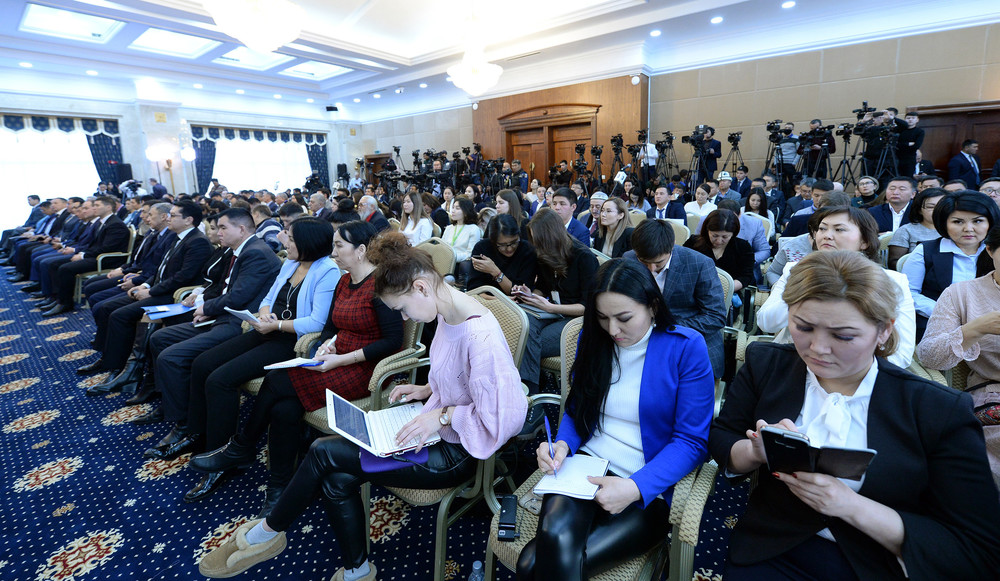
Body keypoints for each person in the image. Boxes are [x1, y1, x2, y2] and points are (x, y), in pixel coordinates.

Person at [196, 232, 527, 580]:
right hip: (435, 430)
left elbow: (505, 418)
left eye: (402, 309)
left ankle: (267, 533)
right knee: (336, 479)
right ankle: (357, 570)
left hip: (455, 453)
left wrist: (443, 415)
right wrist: (427, 388)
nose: (405, 318)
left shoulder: (479, 335)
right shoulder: (447, 310)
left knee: (323, 451)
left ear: (421, 288)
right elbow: (463, 375)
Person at [710, 250, 1000, 580]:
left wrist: (851, 506)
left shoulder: (936, 408)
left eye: (843, 336)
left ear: (884, 331)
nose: (817, 348)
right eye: (803, 327)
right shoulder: (767, 364)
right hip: (772, 547)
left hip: (879, 560)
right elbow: (723, 438)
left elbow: (978, 547)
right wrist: (754, 451)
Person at [516, 258, 715, 580]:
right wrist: (563, 444)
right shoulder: (593, 339)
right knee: (554, 543)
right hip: (586, 465)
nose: (612, 330)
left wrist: (636, 487)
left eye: (624, 318)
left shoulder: (685, 348)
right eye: (602, 317)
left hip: (648, 480)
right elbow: (578, 407)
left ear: (652, 306)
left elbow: (691, 442)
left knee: (531, 564)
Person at [189, 221, 404, 515]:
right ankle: (280, 487)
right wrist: (327, 344)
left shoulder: (381, 285)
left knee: (277, 380)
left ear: (361, 250)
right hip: (336, 358)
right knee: (283, 408)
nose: (333, 252)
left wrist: (342, 358)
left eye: (339, 246)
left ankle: (242, 446)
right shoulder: (344, 282)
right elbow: (330, 327)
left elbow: (392, 342)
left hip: (366, 368)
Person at [178, 218, 341, 501]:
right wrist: (265, 315)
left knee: (220, 380)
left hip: (291, 342)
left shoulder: (327, 270)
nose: (283, 240)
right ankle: (198, 434)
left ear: (308, 242)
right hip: (267, 330)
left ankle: (224, 456)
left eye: (290, 237)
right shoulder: (290, 264)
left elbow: (316, 322)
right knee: (203, 363)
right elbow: (267, 298)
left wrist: (276, 325)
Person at [142, 209, 282, 461]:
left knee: (172, 357)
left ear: (241, 229)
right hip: (222, 316)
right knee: (160, 339)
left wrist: (207, 308)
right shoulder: (239, 251)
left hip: (238, 323)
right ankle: (178, 409)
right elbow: (222, 288)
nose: (218, 233)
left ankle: (185, 424)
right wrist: (206, 306)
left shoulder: (256, 253)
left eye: (223, 228)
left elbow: (238, 297)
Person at [758, 206, 916, 369]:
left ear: (865, 241)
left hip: (859, 371)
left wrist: (849, 371)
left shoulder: (893, 281)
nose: (827, 235)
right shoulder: (795, 270)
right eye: (822, 229)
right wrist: (809, 284)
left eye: (839, 229)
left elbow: (901, 354)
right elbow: (766, 323)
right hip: (794, 363)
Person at [918, 225, 1000, 488]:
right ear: (990, 250)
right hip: (992, 395)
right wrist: (974, 329)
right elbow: (929, 357)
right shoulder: (961, 294)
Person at [625, 219, 727, 377]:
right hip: (640, 338)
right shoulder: (629, 258)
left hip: (687, 336)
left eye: (658, 263)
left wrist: (665, 325)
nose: (651, 270)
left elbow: (716, 316)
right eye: (644, 263)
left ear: (671, 246)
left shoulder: (699, 264)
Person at [516, 208, 598, 393]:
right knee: (522, 324)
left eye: (540, 242)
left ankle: (529, 390)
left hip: (577, 318)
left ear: (552, 237)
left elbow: (589, 306)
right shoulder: (546, 255)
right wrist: (531, 295)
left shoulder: (583, 257)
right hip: (553, 311)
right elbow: (543, 287)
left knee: (524, 343)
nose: (537, 248)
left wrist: (551, 308)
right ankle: (531, 389)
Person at [901, 190, 1000, 341]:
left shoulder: (996, 252)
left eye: (978, 221)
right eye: (958, 222)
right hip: (937, 326)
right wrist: (945, 312)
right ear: (944, 223)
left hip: (991, 329)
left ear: (990, 222)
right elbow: (908, 293)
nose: (968, 228)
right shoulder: (925, 251)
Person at [684, 209, 754, 293]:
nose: (719, 241)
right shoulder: (693, 243)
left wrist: (724, 289)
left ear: (733, 233)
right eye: (715, 235)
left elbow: (746, 276)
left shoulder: (743, 247)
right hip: (693, 291)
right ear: (707, 230)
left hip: (727, 292)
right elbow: (681, 266)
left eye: (725, 237)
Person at [468, 214, 538, 295]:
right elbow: (474, 289)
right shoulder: (482, 248)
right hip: (485, 300)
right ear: (493, 241)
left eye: (514, 242)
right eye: (502, 245)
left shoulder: (527, 250)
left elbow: (522, 293)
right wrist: (498, 300)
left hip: (515, 302)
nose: (509, 249)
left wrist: (496, 272)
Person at [887, 187, 945, 269]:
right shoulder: (906, 230)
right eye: (930, 207)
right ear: (919, 210)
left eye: (942, 206)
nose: (937, 210)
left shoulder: (955, 229)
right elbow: (894, 262)